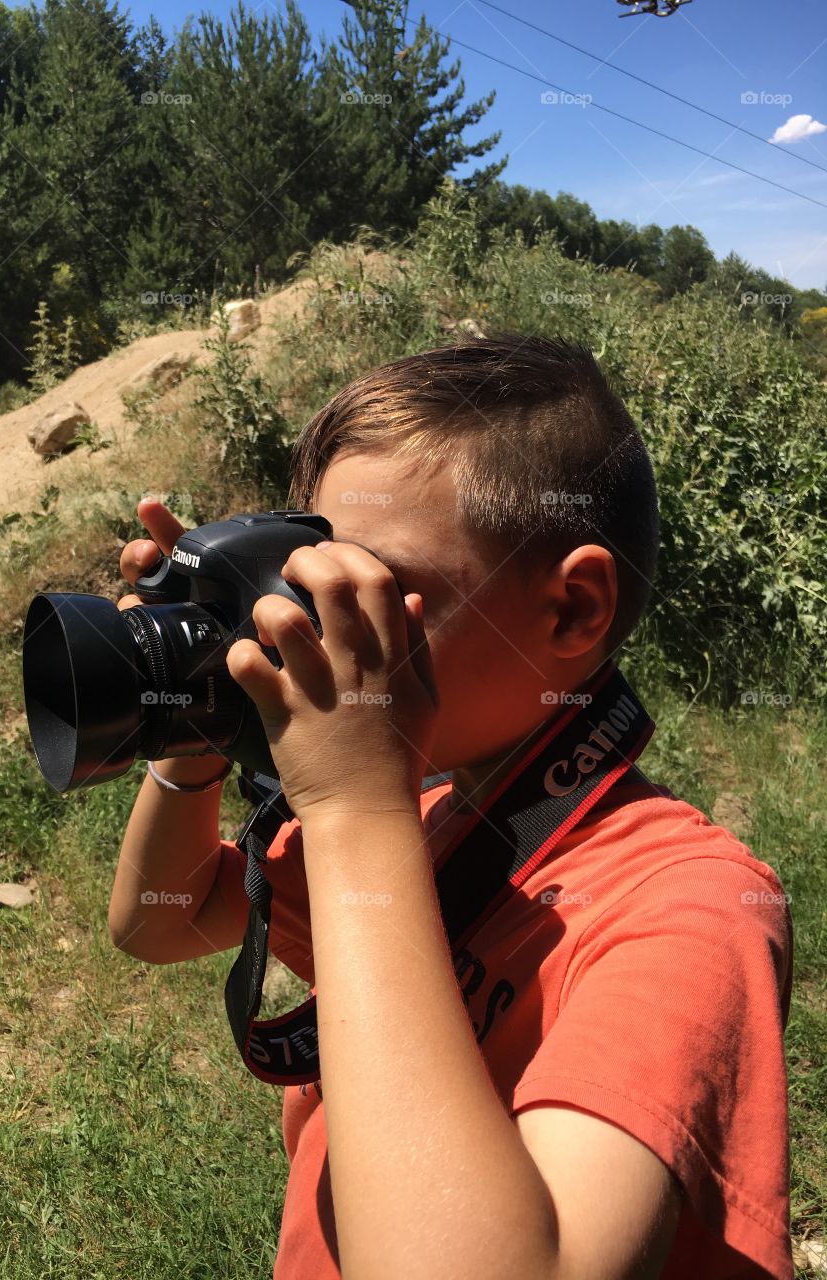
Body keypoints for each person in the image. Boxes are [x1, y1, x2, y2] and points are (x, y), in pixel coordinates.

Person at [108, 336, 793, 1280]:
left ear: (572, 610)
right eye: (309, 581)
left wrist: (353, 813)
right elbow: (161, 919)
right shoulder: (419, 822)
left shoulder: (689, 913)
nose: (319, 623)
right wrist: (199, 721)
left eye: (373, 589)